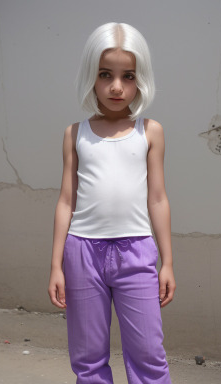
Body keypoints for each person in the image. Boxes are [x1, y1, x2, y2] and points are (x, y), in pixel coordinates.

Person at [48, 22, 176, 384]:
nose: (117, 86)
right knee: (88, 359)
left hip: (137, 252)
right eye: (106, 74)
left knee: (149, 355)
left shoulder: (149, 131)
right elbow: (65, 200)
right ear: (92, 75)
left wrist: (168, 262)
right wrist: (56, 265)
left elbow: (158, 198)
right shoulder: (75, 134)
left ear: (140, 79)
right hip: (82, 253)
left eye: (128, 75)